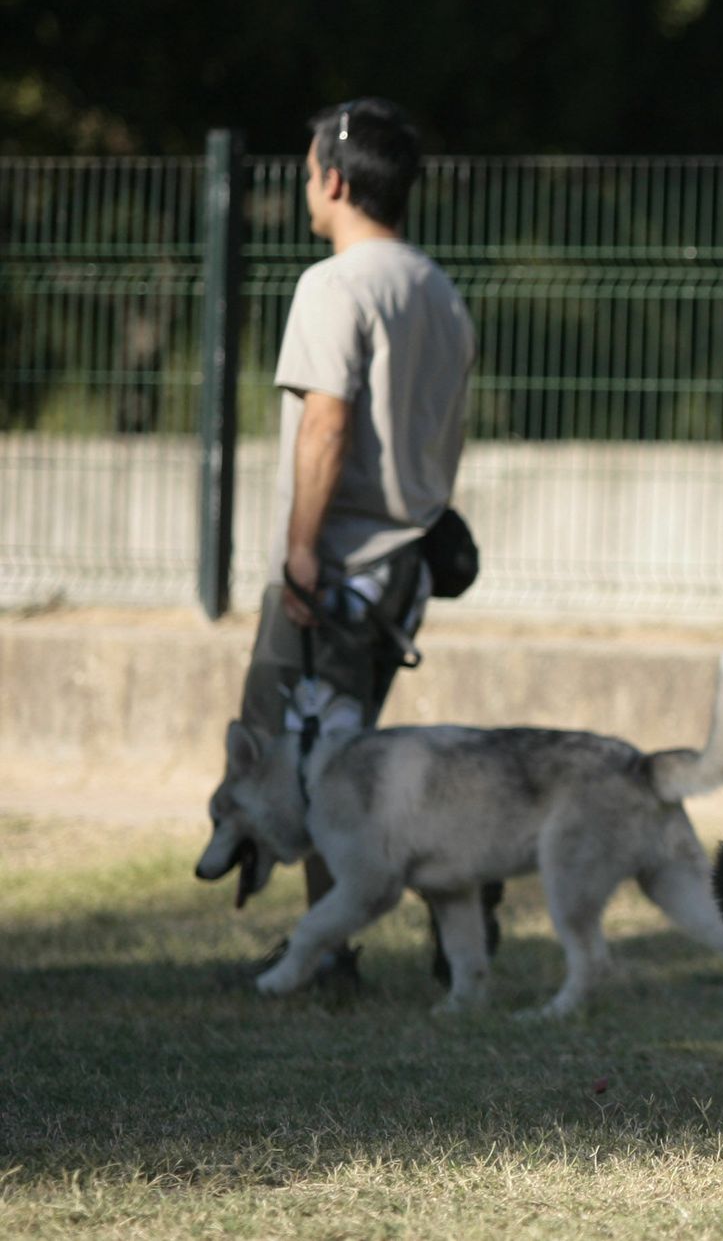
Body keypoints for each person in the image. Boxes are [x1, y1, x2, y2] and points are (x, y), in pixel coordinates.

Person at [236, 96, 479, 985]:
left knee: (309, 764)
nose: (308, 188)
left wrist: (301, 549)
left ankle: (325, 952)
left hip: (333, 565)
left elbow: (326, 424)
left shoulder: (333, 285)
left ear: (334, 179)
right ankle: (334, 940)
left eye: (307, 172)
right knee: (345, 754)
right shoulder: (440, 293)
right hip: (404, 569)